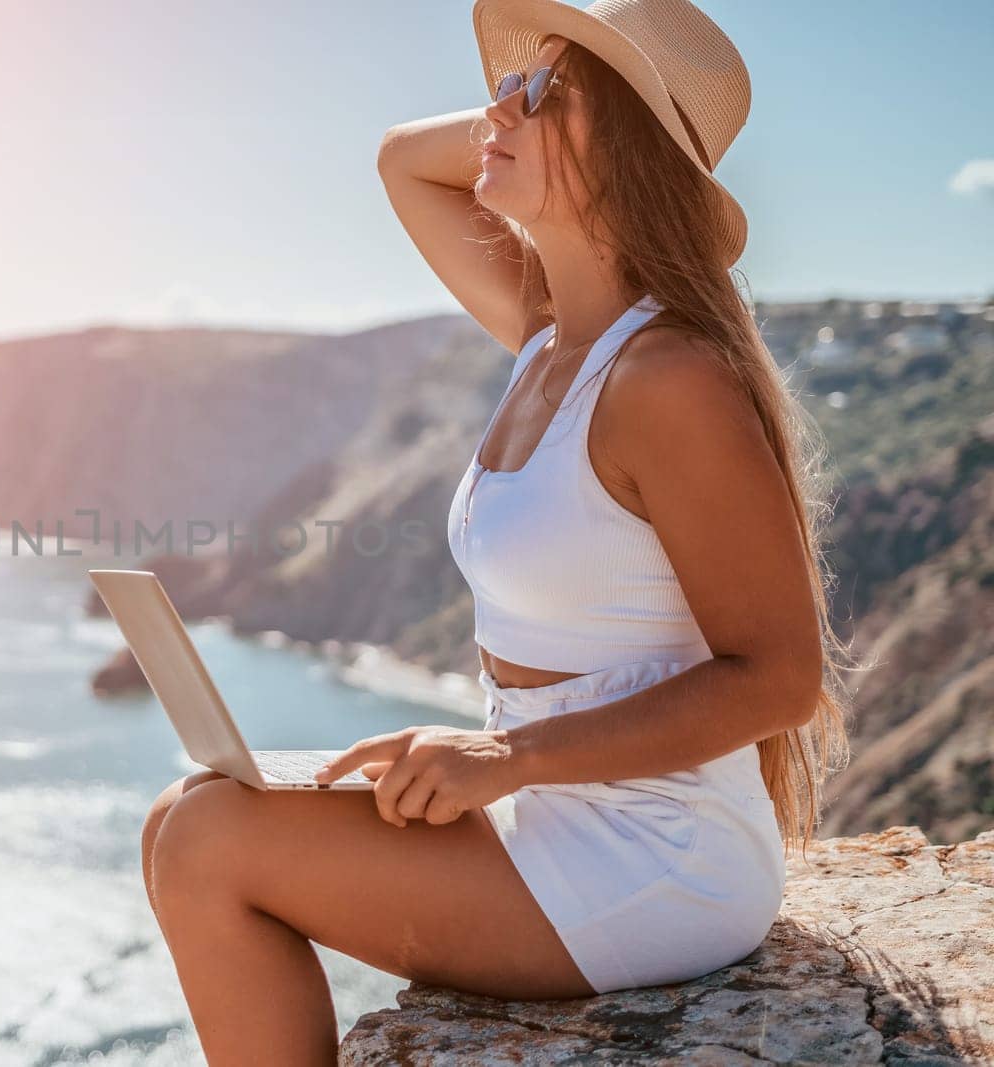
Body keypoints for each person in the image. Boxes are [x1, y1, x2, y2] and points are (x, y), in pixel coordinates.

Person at [139, 1, 859, 1063]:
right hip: (544, 810)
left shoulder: (669, 382)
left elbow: (777, 677)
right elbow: (400, 161)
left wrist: (505, 753)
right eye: (507, 89)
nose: (499, 110)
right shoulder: (545, 338)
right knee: (186, 809)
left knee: (206, 841)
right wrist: (531, 97)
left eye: (545, 95)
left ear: (625, 153)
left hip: (653, 857)